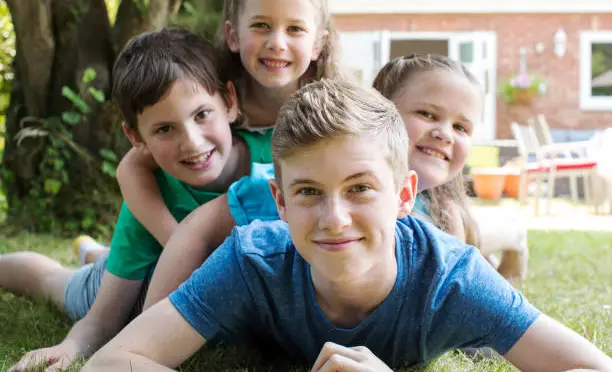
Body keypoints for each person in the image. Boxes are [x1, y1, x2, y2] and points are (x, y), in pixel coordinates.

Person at [83, 79, 612, 371]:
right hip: (164, 288)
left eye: (360, 188)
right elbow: (111, 362)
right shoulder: (250, 259)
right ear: (280, 202)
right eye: (309, 192)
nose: (335, 220)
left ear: (404, 195)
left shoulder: (452, 279)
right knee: (71, 289)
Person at [1, 27, 273, 372]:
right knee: (55, 282)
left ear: (230, 102)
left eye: (202, 114)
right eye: (164, 129)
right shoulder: (149, 201)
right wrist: (72, 345)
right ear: (135, 136)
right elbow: (102, 322)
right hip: (133, 286)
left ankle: (94, 251)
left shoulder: (280, 157)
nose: (191, 143)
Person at [110, 0, 342, 309]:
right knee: (66, 282)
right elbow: (130, 169)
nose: (277, 43)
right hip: (180, 238)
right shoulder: (211, 100)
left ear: (318, 44)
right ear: (233, 35)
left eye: (294, 29)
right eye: (261, 25)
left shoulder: (329, 114)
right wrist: (179, 242)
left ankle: (92, 254)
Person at [373, 53, 528, 284]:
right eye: (427, 114)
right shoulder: (360, 196)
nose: (445, 134)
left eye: (460, 127)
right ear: (379, 112)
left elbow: (482, 293)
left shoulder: (444, 210)